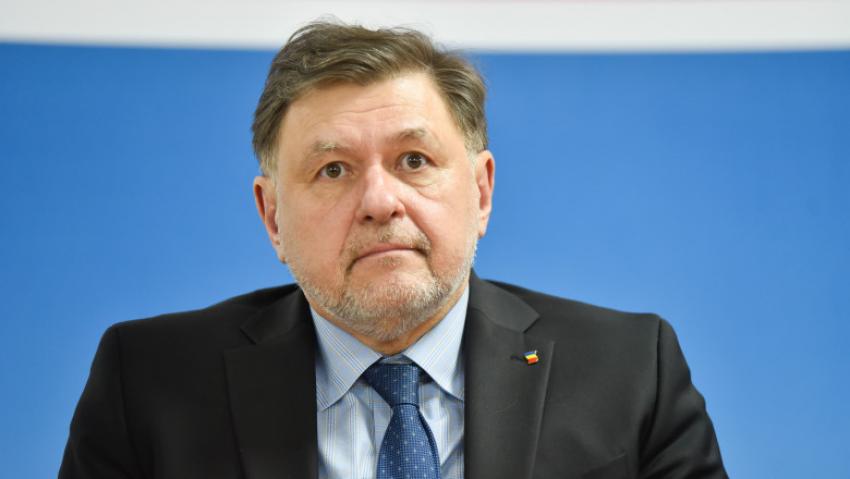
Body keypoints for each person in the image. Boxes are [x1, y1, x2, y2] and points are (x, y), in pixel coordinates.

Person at [60, 21, 727, 479]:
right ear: (272, 218)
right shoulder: (149, 384)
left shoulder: (630, 371)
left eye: (414, 160)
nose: (380, 201)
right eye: (333, 170)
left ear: (481, 191)